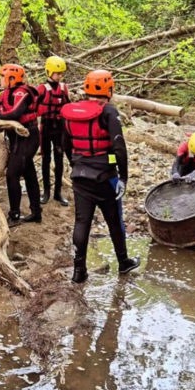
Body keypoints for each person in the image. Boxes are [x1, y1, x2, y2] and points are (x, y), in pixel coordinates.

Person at [61, 70, 139, 284]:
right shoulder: (109, 112)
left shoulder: (71, 113)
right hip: (106, 178)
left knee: (81, 222)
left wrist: (76, 164)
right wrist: (123, 178)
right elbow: (119, 147)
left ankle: (79, 272)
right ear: (109, 90)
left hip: (80, 176)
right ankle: (123, 263)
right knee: (114, 221)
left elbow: (65, 144)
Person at [0, 64, 41, 226]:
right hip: (16, 138)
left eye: (2, 77)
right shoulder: (5, 94)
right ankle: (36, 212)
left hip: (28, 137)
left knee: (12, 175)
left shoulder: (23, 93)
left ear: (11, 78)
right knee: (29, 173)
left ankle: (14, 214)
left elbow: (16, 112)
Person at [37, 55, 70, 206]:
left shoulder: (64, 89)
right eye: (57, 73)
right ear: (49, 72)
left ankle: (58, 192)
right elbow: (33, 108)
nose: (59, 76)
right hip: (46, 127)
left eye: (61, 73)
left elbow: (68, 107)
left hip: (59, 128)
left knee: (59, 159)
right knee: (46, 159)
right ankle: (46, 192)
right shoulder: (42, 89)